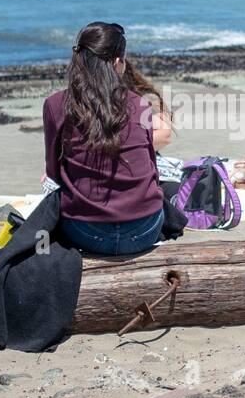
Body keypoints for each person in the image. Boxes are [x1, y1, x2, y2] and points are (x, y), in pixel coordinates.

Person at [42, 22, 165, 256]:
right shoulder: (139, 104)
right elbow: (151, 167)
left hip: (85, 232)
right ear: (118, 62)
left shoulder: (56, 104)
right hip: (144, 229)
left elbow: (53, 172)